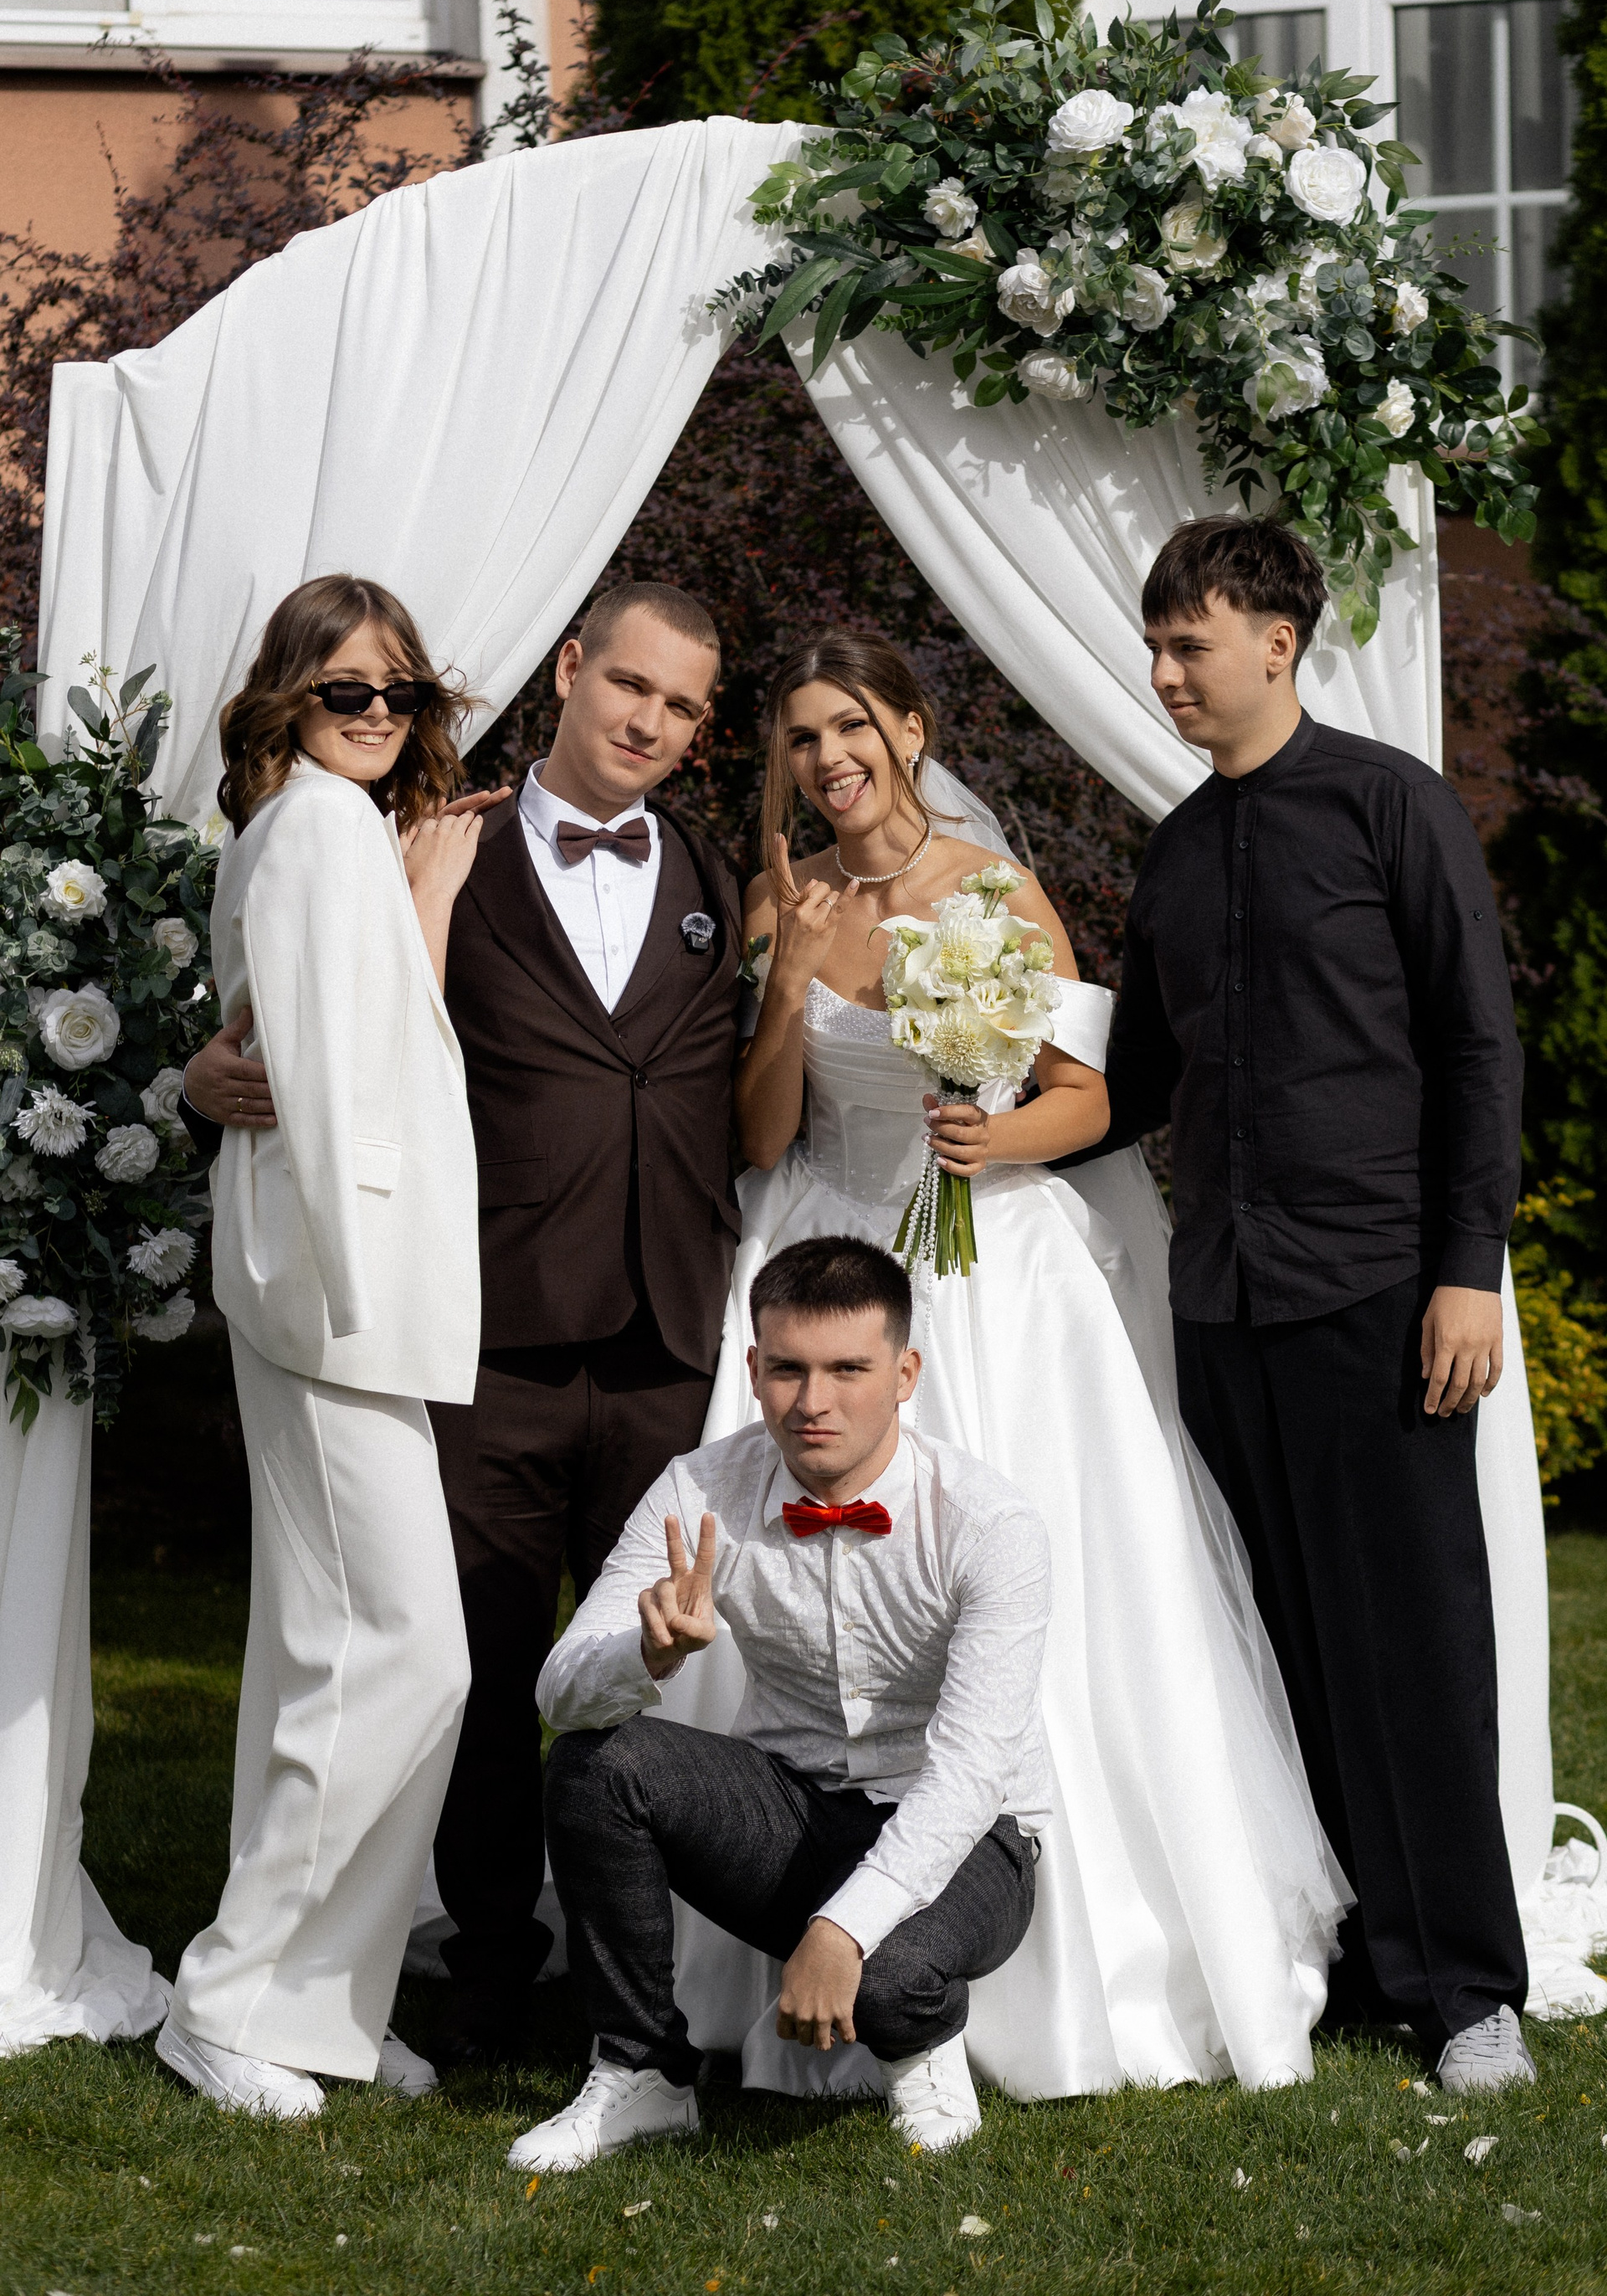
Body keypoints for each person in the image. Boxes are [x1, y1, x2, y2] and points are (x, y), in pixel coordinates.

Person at [665, 629, 1350, 2101]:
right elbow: (762, 1133)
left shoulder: (994, 891)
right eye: (801, 737)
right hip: (823, 1248)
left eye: (853, 726)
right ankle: (786, 1921)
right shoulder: (784, 901)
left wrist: (990, 1138)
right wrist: (785, 987)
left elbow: (1088, 1096)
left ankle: (1059, 1960)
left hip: (984, 1272)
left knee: (1036, 1590)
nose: (828, 759)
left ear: (910, 732)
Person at [184, 578, 743, 2068]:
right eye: (630, 685)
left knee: (648, 1665)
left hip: (666, 1329)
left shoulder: (712, 866)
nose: (651, 722)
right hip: (477, 1321)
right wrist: (203, 1079)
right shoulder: (428, 844)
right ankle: (487, 1969)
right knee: (471, 1664)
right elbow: (326, 1028)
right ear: (570, 670)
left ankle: (634, 1986)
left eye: (683, 706)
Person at [1074, 514, 1532, 2093]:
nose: (1163, 672)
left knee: (1415, 1647)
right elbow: (1140, 1077)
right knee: (1279, 1649)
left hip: (1382, 1289)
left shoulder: (1394, 806)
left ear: (1278, 642)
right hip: (1223, 1305)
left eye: (1188, 644)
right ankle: (1350, 1958)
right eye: (1156, 645)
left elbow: (1477, 1048)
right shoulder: (1177, 848)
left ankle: (1466, 1991)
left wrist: (1468, 1271)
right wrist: (981, 1088)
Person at [157, 574, 484, 2119]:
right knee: (406, 1653)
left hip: (347, 1294)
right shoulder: (313, 829)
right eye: (347, 689)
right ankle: (231, 1997)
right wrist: (346, 1296)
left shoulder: (329, 831)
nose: (377, 714)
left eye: (399, 693)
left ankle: (321, 2005)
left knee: (335, 1655)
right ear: (291, 698)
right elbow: (309, 1069)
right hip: (332, 1293)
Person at [515, 1235, 1050, 2172]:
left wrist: (841, 1931)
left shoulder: (990, 1526)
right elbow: (559, 1692)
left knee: (889, 1979)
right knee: (595, 1764)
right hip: (792, 1809)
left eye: (849, 1370)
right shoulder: (697, 1487)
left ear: (905, 1374)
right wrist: (645, 1654)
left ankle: (921, 2049)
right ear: (754, 1370)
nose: (814, 1402)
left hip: (973, 1834)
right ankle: (642, 2070)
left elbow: (970, 1775)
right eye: (790, 1370)